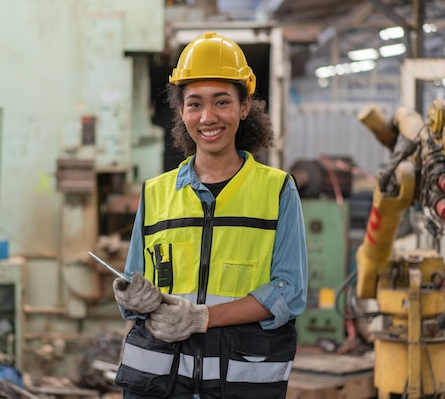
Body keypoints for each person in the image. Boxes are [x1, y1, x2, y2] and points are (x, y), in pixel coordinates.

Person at [112, 31, 308, 399]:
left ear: (245, 106)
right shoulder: (155, 193)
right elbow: (134, 282)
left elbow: (289, 292)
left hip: (239, 384)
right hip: (160, 384)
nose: (208, 117)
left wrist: (202, 317)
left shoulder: (278, 190)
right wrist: (133, 298)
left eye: (222, 102)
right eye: (194, 104)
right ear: (181, 110)